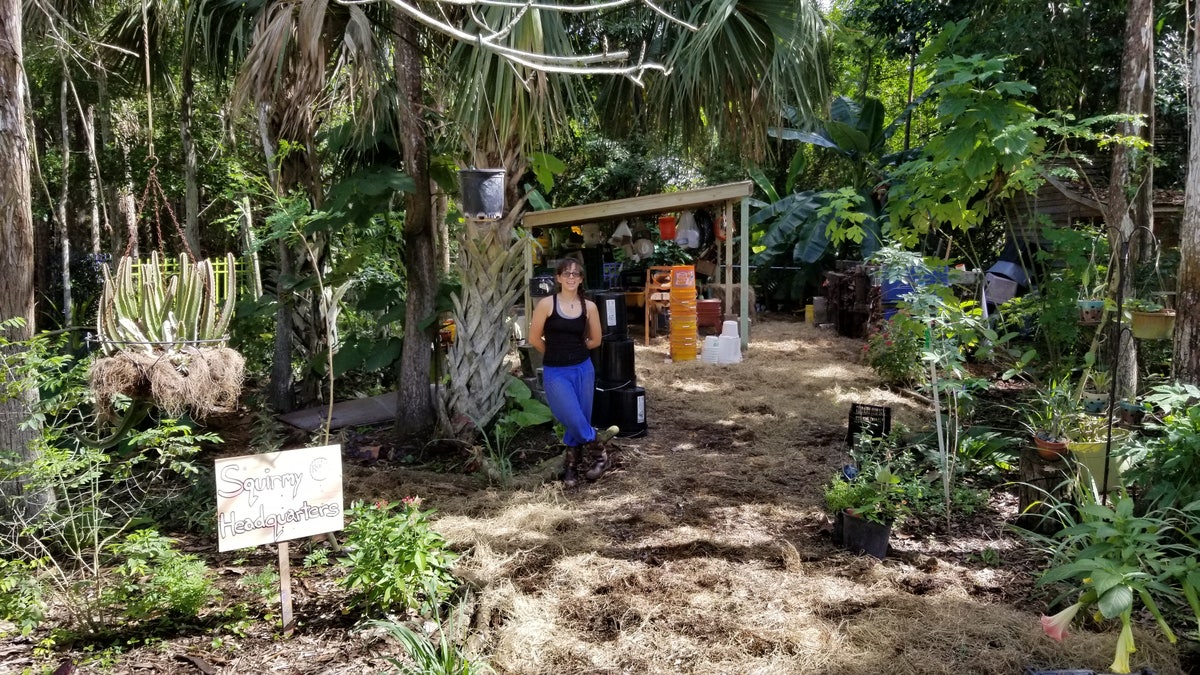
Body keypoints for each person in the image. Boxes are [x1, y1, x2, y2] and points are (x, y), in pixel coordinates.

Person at [528, 259, 619, 487]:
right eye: (566, 273)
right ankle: (600, 453)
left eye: (576, 273)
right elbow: (534, 339)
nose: (571, 277)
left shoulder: (589, 307)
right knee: (570, 414)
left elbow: (596, 340)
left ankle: (571, 467)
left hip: (582, 369)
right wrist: (556, 352)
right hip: (555, 371)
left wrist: (575, 350)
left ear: (581, 279)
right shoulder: (546, 304)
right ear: (558, 278)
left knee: (579, 418)